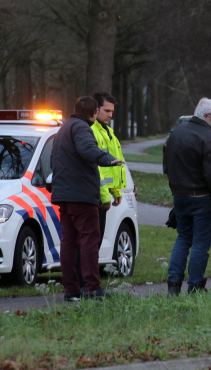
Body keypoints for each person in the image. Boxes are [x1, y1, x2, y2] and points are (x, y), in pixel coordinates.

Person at [51, 96, 124, 301]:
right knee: (90, 241)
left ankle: (71, 289)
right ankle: (92, 287)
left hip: (64, 195)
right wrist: (108, 159)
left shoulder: (63, 129)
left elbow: (53, 160)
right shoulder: (83, 128)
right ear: (93, 113)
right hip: (82, 196)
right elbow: (87, 149)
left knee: (69, 243)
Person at [164, 98, 211, 295]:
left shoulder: (177, 132)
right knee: (200, 243)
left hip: (180, 195)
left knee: (183, 239)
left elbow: (167, 166)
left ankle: (173, 283)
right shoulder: (209, 138)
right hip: (203, 197)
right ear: (206, 116)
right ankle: (195, 285)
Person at [75, 91, 125, 288]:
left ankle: (86, 282)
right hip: (95, 196)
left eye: (112, 111)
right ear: (95, 110)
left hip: (100, 195)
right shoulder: (92, 131)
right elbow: (98, 169)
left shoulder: (106, 131)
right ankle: (85, 284)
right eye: (106, 110)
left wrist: (117, 191)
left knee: (93, 242)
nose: (110, 114)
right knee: (89, 243)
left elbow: (113, 165)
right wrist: (106, 194)